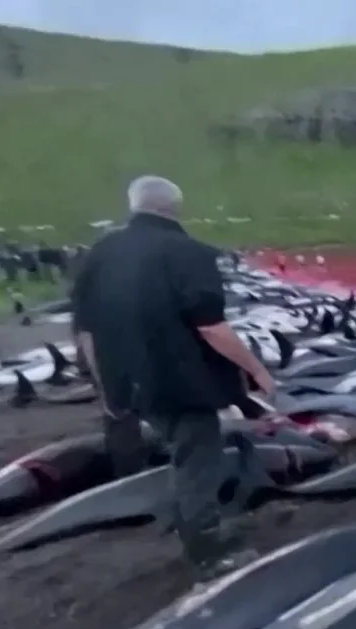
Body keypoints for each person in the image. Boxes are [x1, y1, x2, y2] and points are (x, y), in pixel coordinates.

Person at [70, 175, 275, 578]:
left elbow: (86, 330)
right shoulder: (189, 252)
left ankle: (191, 528)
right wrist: (258, 371)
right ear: (173, 207)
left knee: (182, 456)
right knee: (199, 459)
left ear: (134, 205)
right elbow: (211, 327)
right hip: (183, 382)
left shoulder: (100, 253)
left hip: (128, 381)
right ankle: (207, 549)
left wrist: (105, 387)